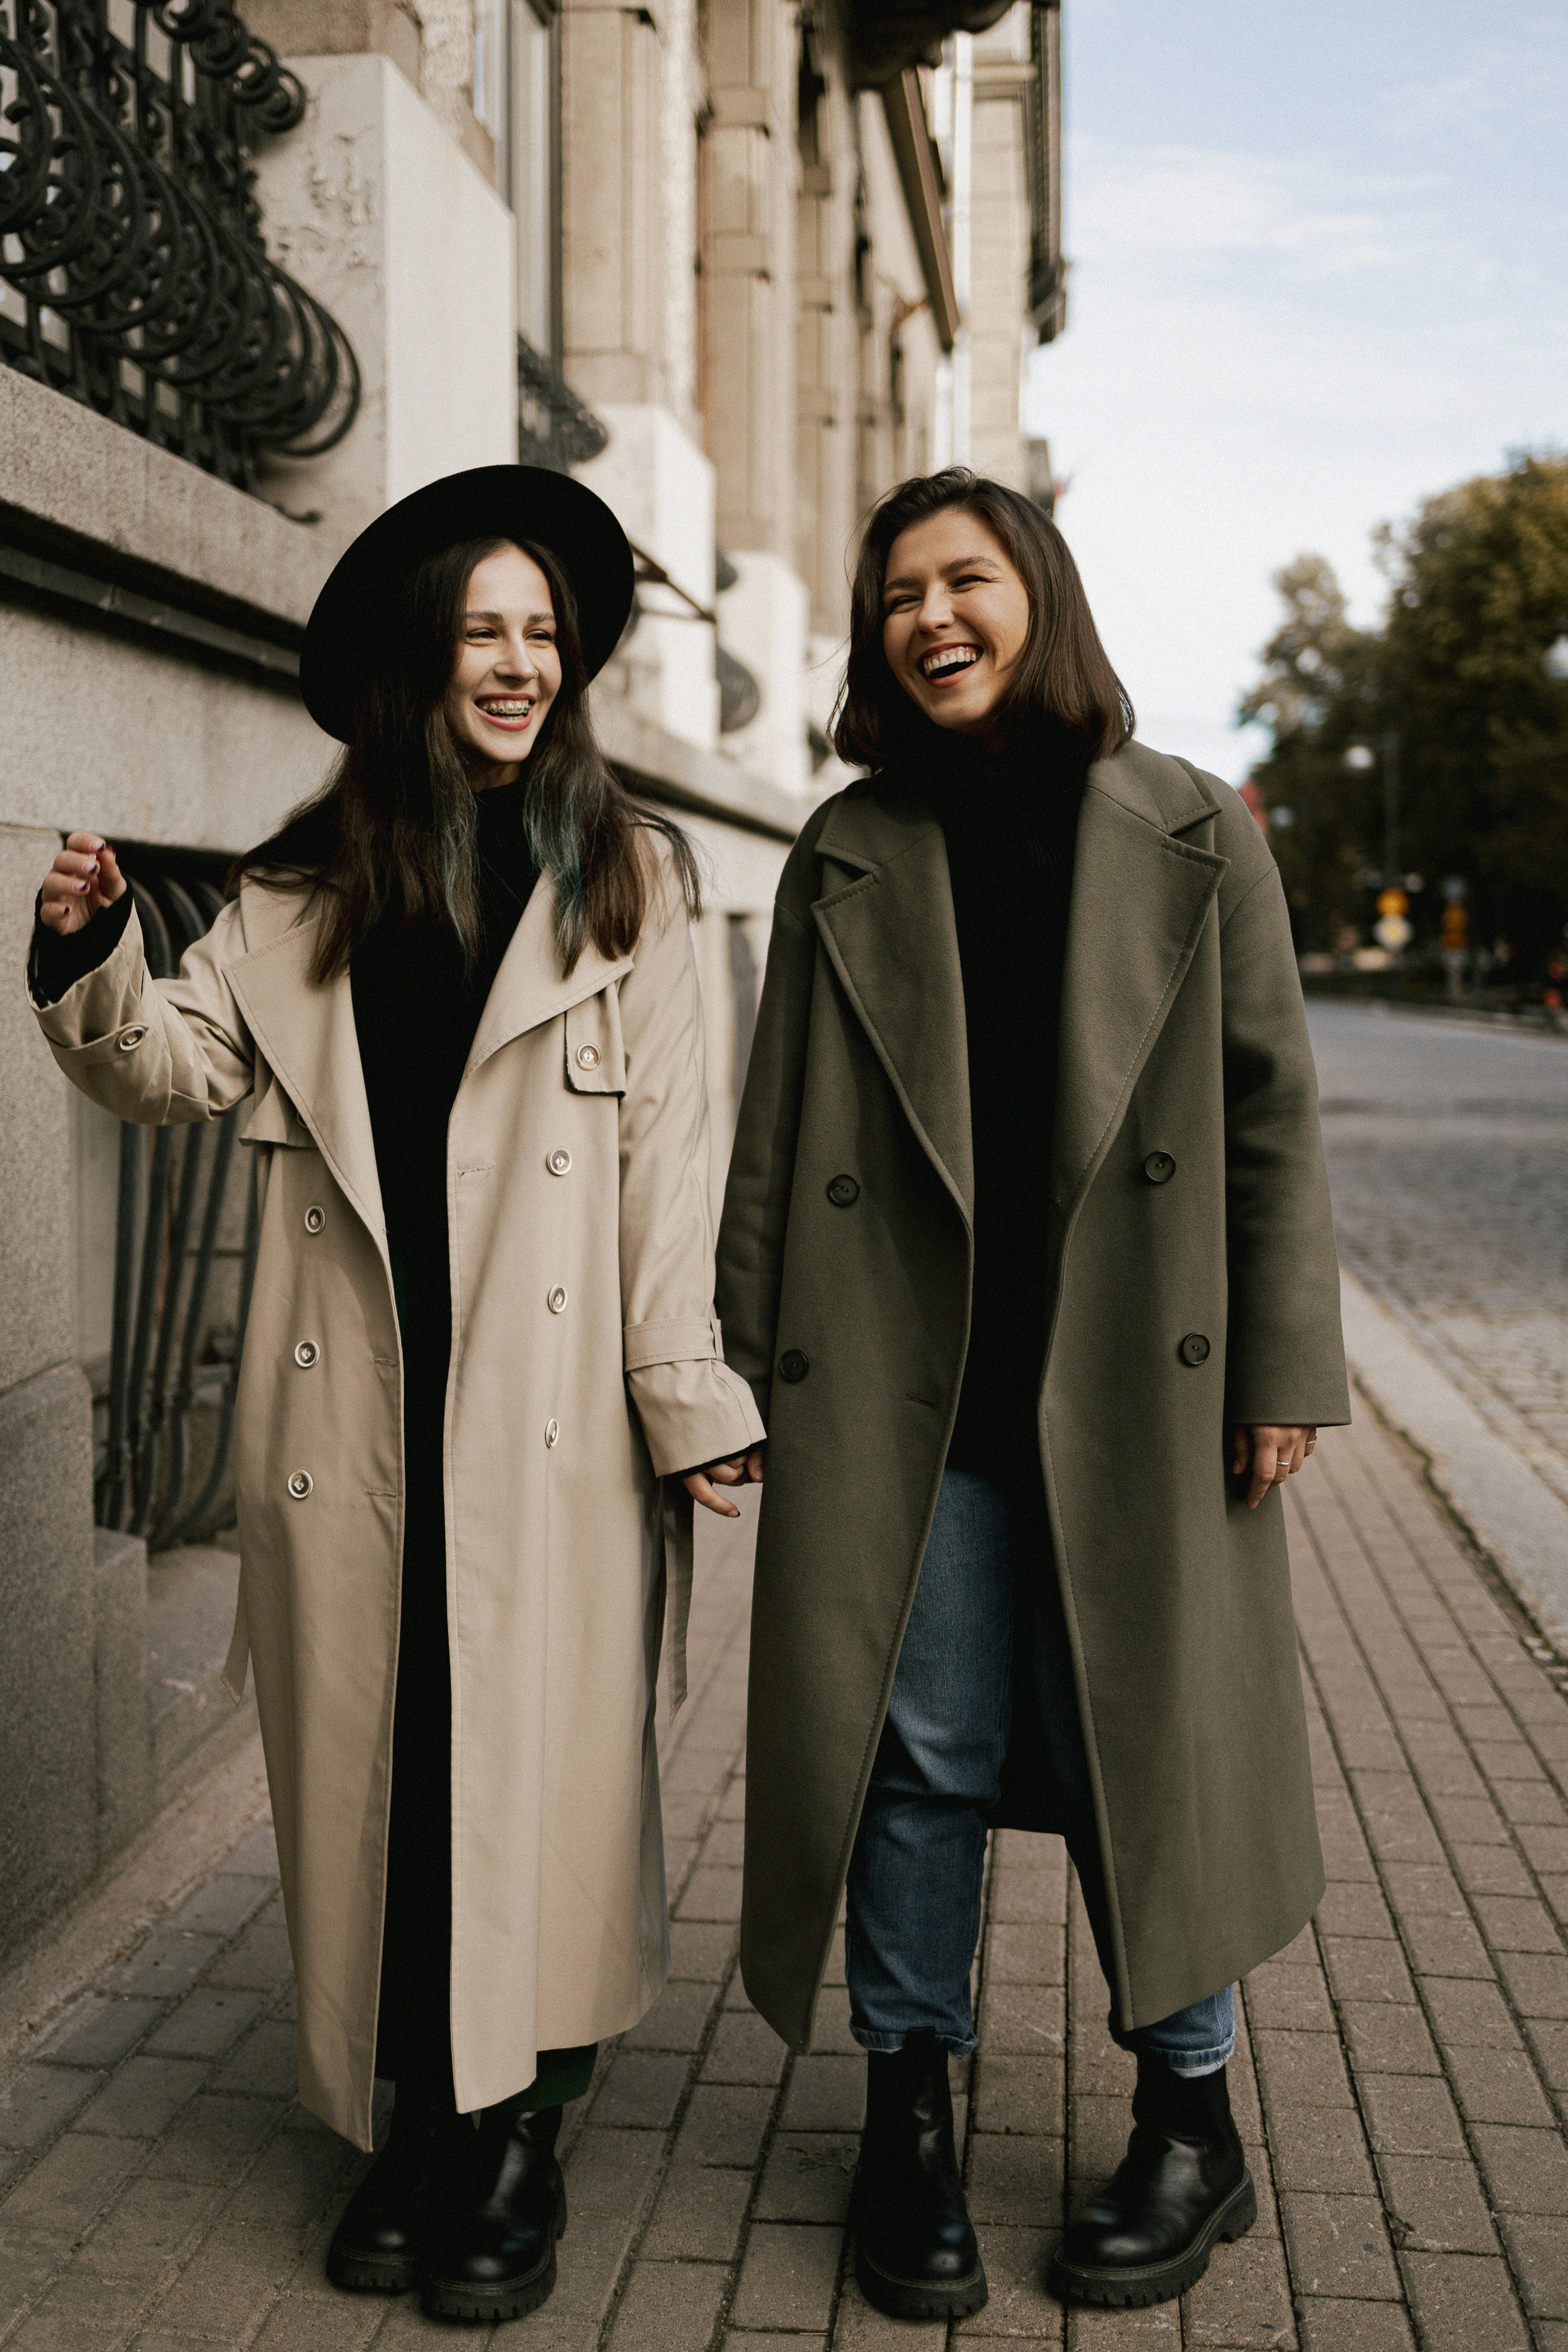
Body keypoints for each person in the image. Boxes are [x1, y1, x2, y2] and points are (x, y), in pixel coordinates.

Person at [27, 466, 763, 2327]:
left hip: (552, 1422)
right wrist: (90, 953)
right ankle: (408, 2116)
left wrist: (685, 1394)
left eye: (542, 633)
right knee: (384, 1767)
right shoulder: (298, 890)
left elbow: (676, 1168)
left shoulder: (634, 880)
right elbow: (169, 1068)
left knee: (540, 1774)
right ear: (420, 660)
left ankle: (516, 2128)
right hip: (351, 1419)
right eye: (481, 632)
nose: (517, 663)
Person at [711, 468, 1349, 2318]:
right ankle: (906, 2114)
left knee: (1150, 1744)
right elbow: (775, 1132)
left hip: (1138, 1391)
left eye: (965, 579)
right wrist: (734, 1369)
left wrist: (1285, 1365)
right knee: (914, 1761)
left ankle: (1192, 2121)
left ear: (1037, 597)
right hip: (910, 1397)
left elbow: (1270, 1115)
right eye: (898, 594)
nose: (932, 618)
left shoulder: (1192, 828)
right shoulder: (848, 845)